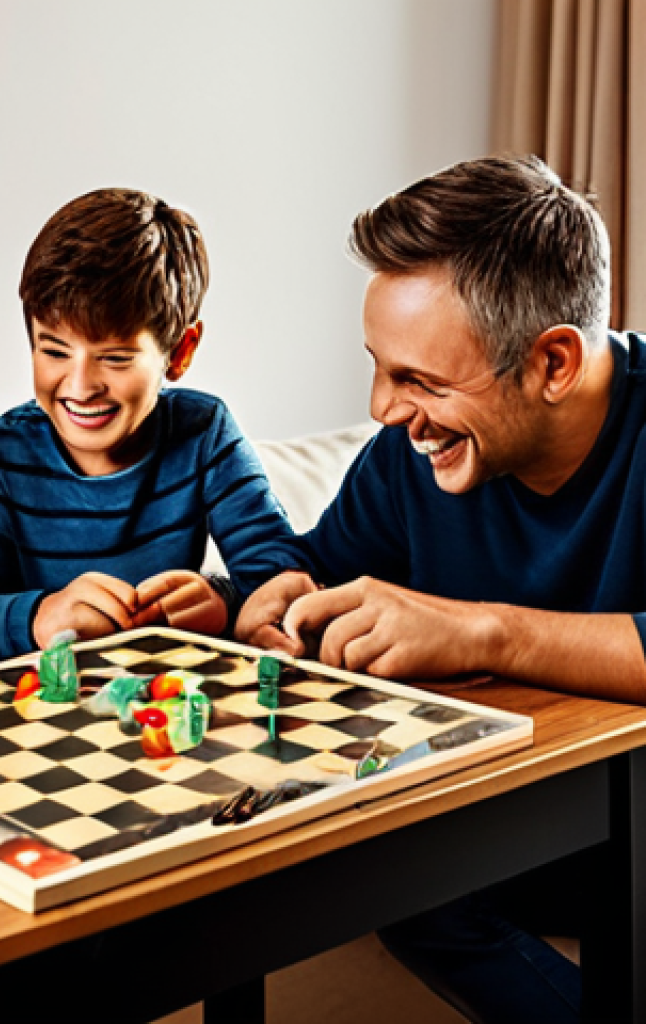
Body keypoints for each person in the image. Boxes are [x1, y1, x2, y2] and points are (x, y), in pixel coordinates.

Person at [236, 154, 640, 1023]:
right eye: (381, 366)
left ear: (555, 363)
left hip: (630, 826)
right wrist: (260, 600)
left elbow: (468, 631)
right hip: (518, 833)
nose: (383, 407)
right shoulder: (413, 456)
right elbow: (313, 575)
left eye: (419, 380)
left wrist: (484, 634)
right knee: (392, 878)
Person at [0, 188, 299, 671]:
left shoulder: (204, 433)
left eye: (114, 358)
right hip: (35, 720)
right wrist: (41, 617)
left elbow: (286, 584)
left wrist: (221, 603)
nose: (80, 386)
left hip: (171, 715)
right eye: (53, 351)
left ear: (180, 352)